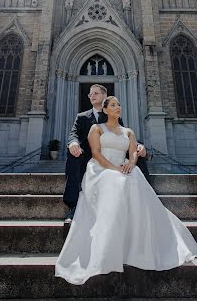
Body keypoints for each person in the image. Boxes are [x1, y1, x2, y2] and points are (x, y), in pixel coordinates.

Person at [56, 96, 197, 285]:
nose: (118, 107)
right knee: (117, 181)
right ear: (105, 109)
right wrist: (112, 166)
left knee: (134, 180)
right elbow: (96, 153)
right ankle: (76, 210)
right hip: (100, 166)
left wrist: (134, 158)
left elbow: (130, 146)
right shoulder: (93, 125)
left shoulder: (127, 130)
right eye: (114, 105)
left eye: (119, 104)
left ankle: (139, 241)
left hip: (122, 166)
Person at [63, 84, 150, 223]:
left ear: (105, 97)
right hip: (88, 156)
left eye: (96, 93)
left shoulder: (112, 115)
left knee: (138, 155)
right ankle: (73, 206)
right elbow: (74, 133)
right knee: (73, 155)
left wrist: (139, 145)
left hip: (112, 158)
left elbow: (122, 135)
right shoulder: (82, 117)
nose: (92, 96)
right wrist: (73, 143)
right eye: (90, 94)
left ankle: (147, 199)